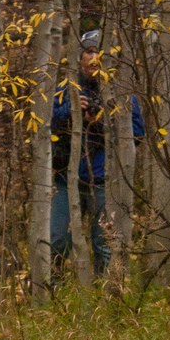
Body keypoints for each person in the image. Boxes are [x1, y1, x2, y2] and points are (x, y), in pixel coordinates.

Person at [50, 29, 144, 279]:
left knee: (103, 244)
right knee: (57, 240)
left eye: (100, 52)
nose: (94, 58)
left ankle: (106, 297)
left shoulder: (122, 92)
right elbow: (43, 126)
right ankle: (50, 296)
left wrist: (101, 121)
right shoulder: (64, 89)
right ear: (79, 56)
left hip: (105, 180)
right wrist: (70, 112)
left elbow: (137, 133)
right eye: (89, 51)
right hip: (65, 179)